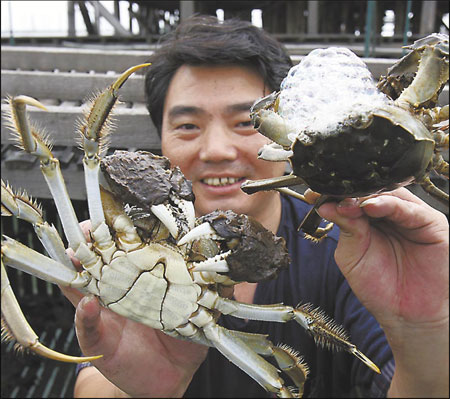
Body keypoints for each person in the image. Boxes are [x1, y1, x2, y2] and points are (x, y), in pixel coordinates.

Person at [61, 15, 449, 398]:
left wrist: (426, 327)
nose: (216, 151)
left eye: (246, 123)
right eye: (187, 126)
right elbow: (89, 378)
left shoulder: (355, 253)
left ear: (292, 130)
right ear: (159, 138)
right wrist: (136, 393)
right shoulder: (123, 247)